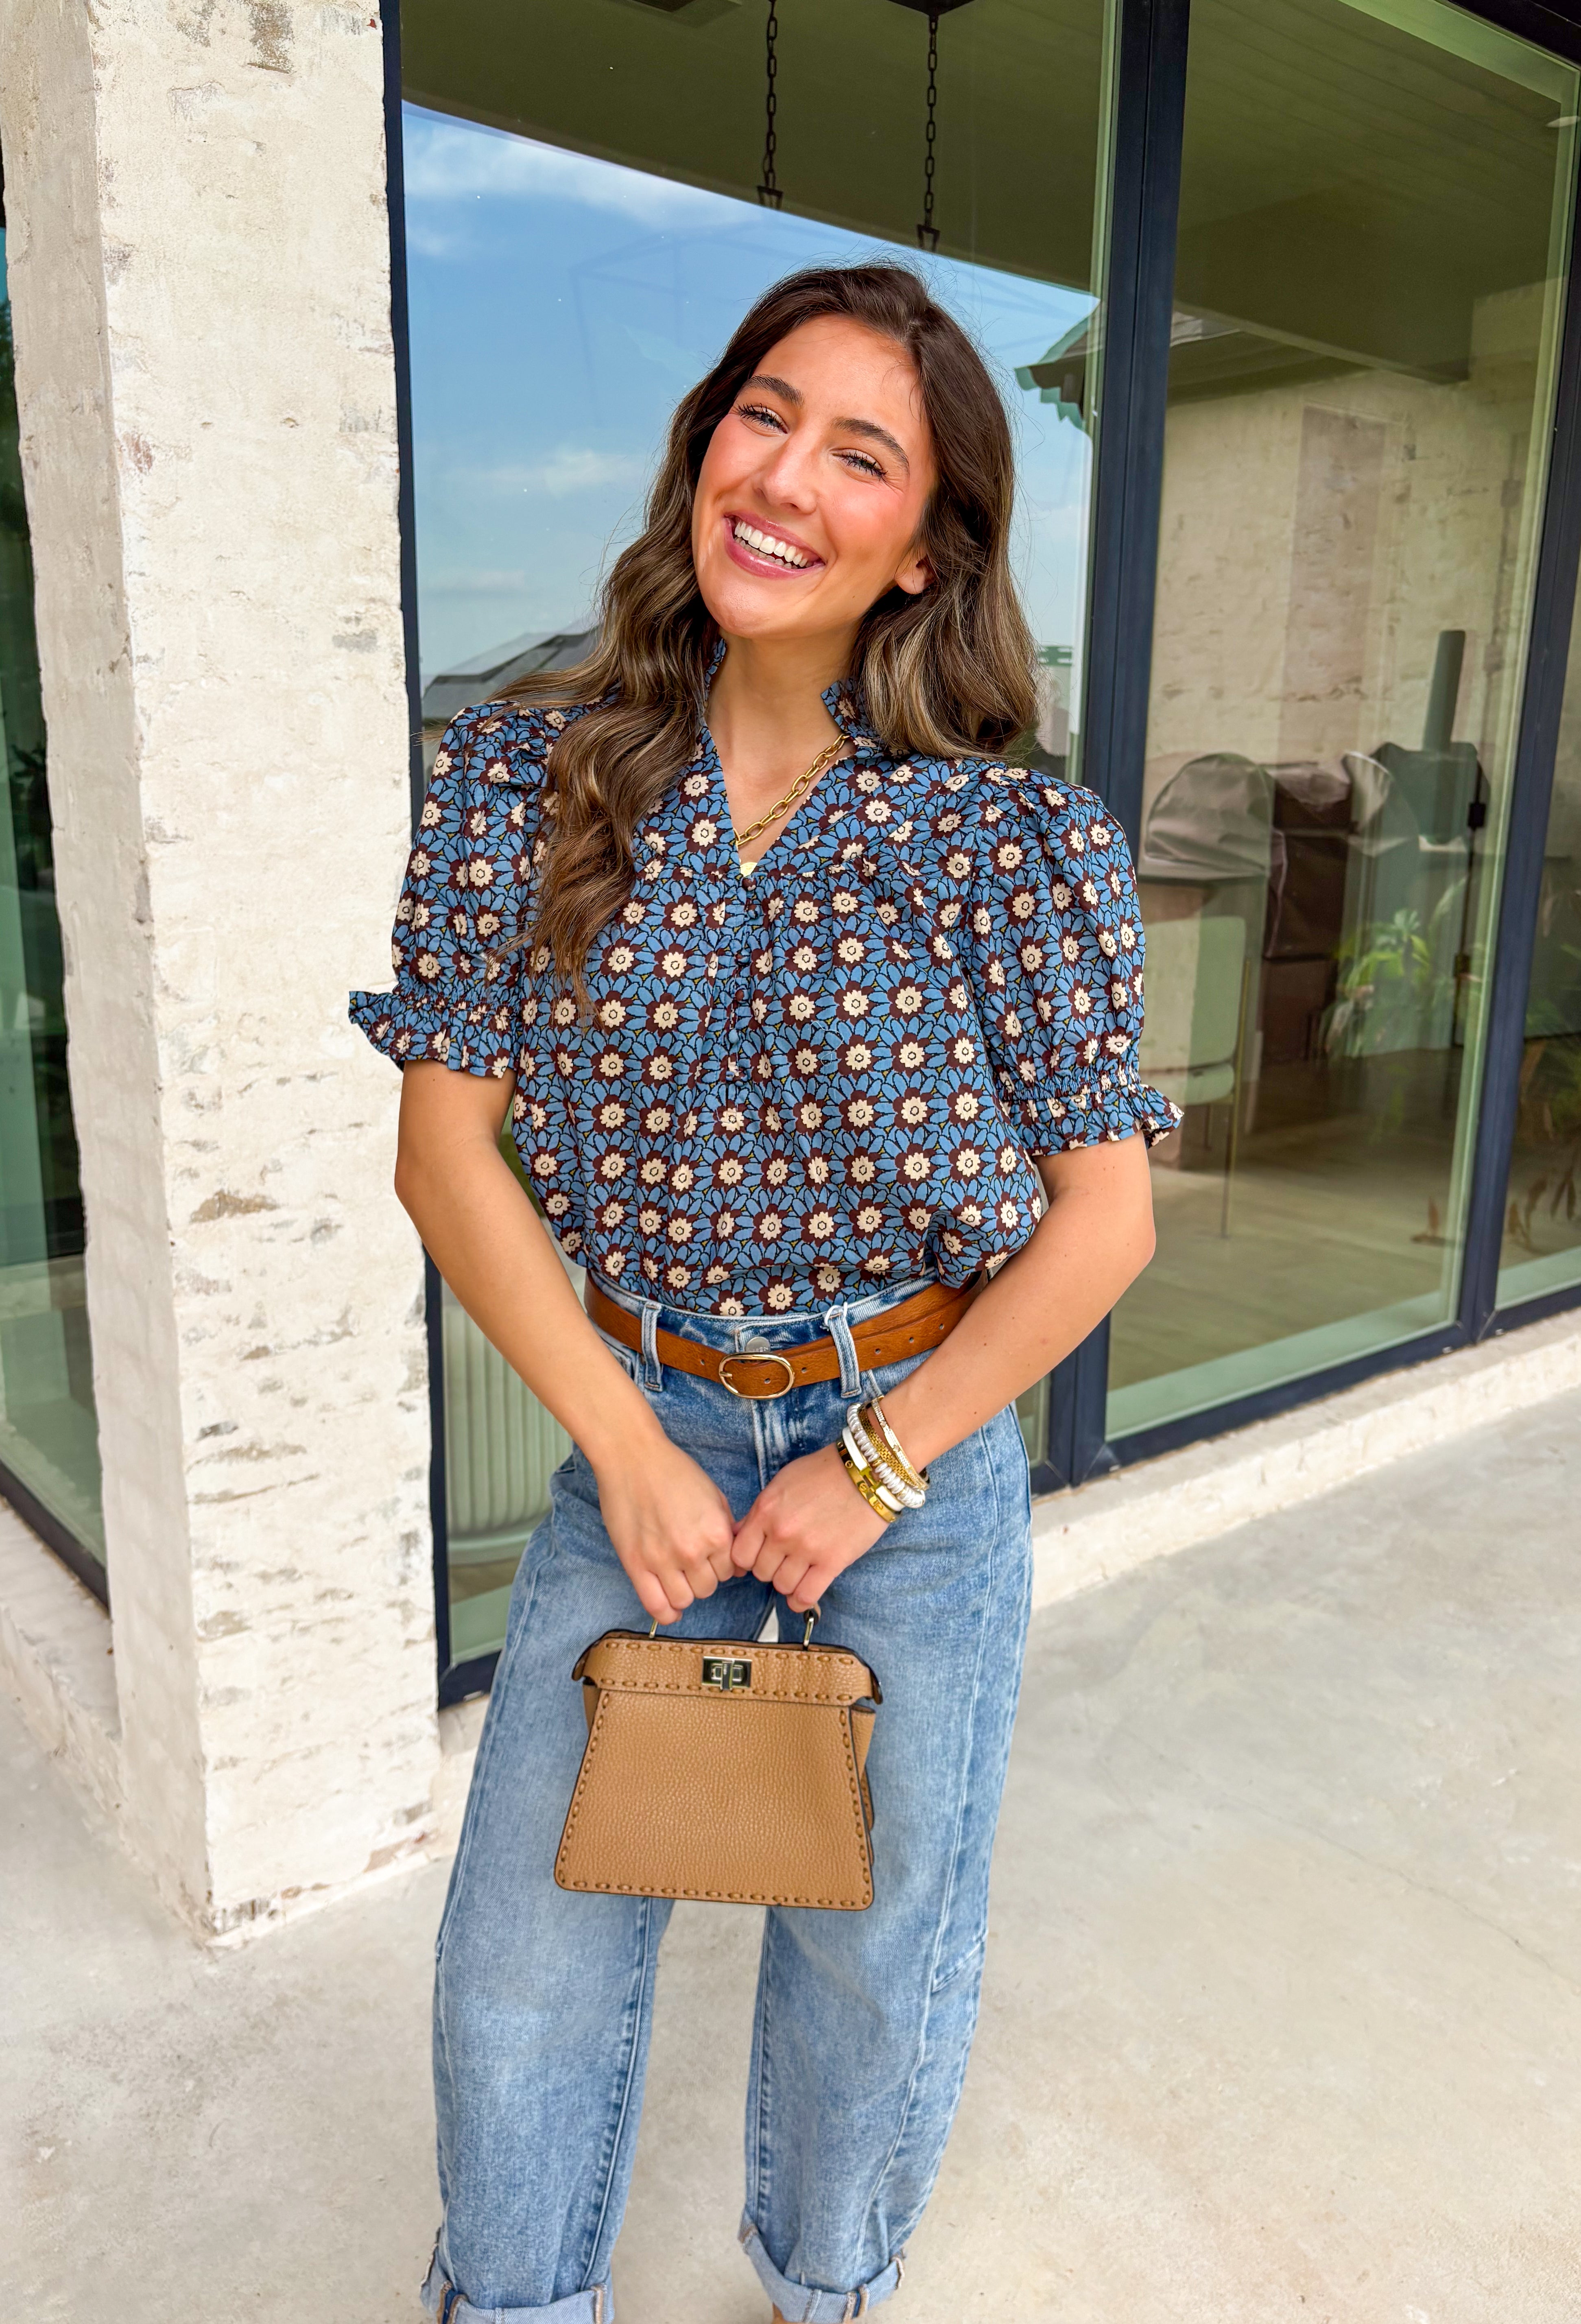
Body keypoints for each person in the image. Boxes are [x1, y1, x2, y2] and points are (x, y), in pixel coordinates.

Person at [352, 262, 1178, 2324]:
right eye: (761, 414)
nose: (784, 477)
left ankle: (825, 2296)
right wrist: (625, 1448)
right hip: (646, 1431)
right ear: (703, 443)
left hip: (910, 1460)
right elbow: (445, 1152)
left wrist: (877, 1468)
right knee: (527, 1953)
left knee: (872, 1944)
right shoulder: (526, 777)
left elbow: (1103, 1222)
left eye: (860, 454)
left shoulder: (1014, 845)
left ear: (927, 550)